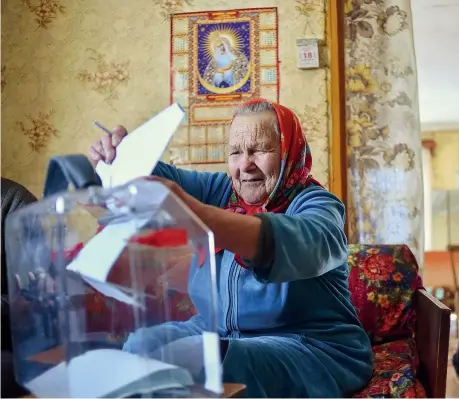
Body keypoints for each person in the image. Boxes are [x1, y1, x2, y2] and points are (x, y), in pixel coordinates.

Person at [88, 98, 373, 398]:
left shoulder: (316, 203)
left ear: (290, 151)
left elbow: (310, 241)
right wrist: (119, 156)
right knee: (139, 348)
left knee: (197, 361)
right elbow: (155, 178)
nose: (245, 164)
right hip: (218, 331)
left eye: (260, 149)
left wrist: (200, 216)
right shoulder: (223, 191)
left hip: (308, 343)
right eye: (236, 152)